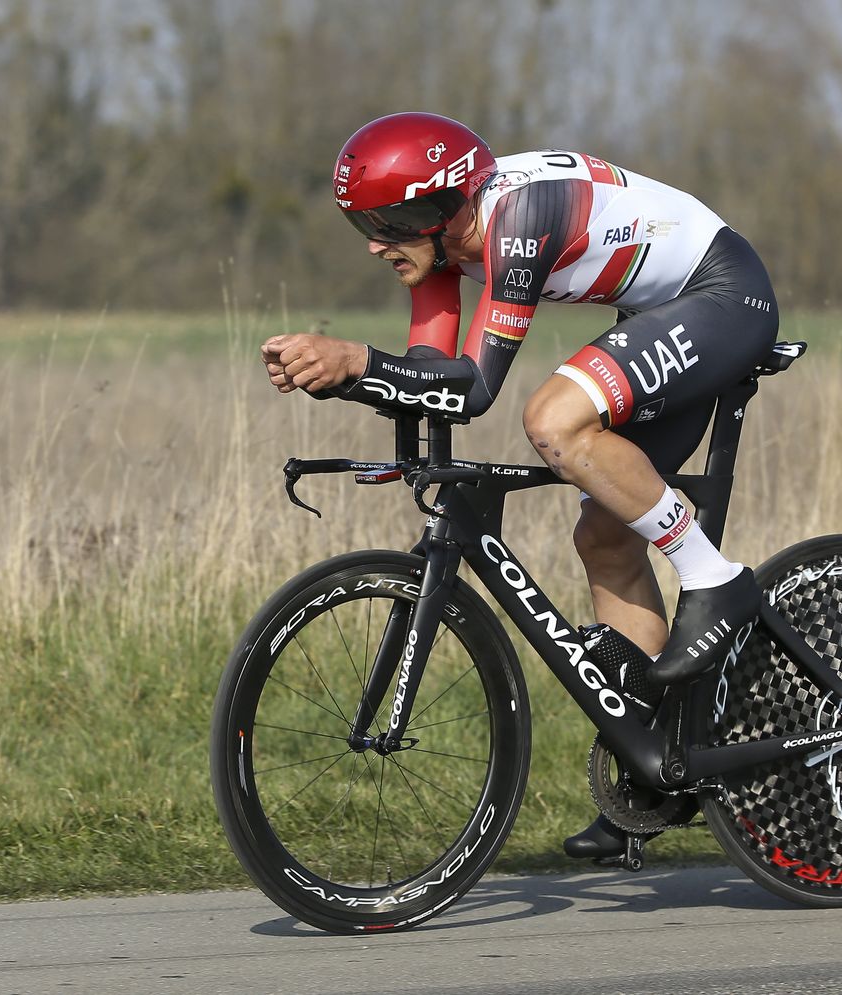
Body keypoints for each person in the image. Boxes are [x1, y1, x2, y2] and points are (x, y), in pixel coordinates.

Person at [260, 112, 778, 860]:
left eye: (393, 220)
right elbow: (428, 380)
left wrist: (354, 360)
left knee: (555, 420)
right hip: (664, 310)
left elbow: (474, 388)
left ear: (450, 204)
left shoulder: (523, 216)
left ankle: (715, 577)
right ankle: (652, 771)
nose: (377, 242)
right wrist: (338, 378)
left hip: (724, 295)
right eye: (363, 223)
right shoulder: (437, 246)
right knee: (603, 536)